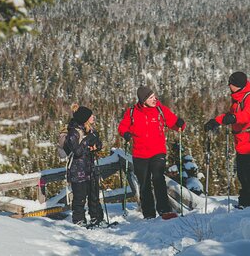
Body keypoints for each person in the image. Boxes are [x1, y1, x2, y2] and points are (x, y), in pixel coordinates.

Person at [118, 85, 186, 219]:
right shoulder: (132, 112)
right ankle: (148, 213)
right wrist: (126, 134)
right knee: (144, 184)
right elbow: (122, 126)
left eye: (154, 96)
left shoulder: (160, 110)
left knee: (158, 178)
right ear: (143, 100)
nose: (154, 99)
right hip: (140, 154)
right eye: (150, 98)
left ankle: (164, 210)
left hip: (158, 152)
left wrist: (180, 123)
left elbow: (174, 122)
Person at [204, 71, 250, 208]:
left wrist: (234, 118)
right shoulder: (239, 98)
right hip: (243, 143)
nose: (229, 86)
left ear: (237, 85)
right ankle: (245, 201)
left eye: (231, 84)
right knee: (243, 175)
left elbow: (248, 115)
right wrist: (216, 121)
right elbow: (231, 114)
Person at [65, 104, 104, 227]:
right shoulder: (73, 132)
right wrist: (87, 141)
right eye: (91, 115)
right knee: (80, 197)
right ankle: (79, 220)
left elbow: (99, 144)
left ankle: (96, 218)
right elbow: (77, 151)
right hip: (78, 170)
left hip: (90, 168)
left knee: (94, 195)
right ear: (85, 118)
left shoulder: (90, 130)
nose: (93, 117)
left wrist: (95, 145)